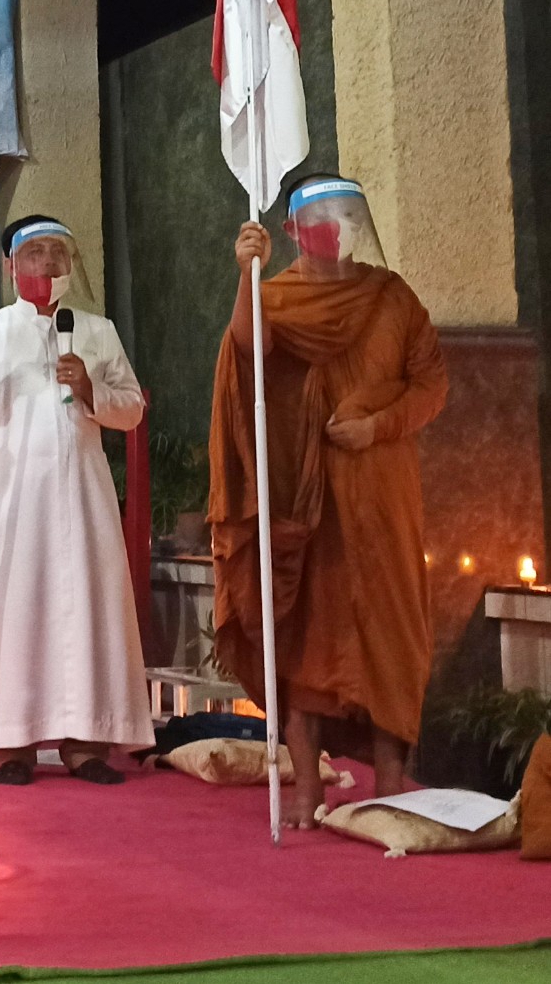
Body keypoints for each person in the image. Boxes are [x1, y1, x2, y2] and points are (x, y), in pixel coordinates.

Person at [211, 174, 446, 827]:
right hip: (306, 505)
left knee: (393, 631)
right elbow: (244, 352)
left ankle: (392, 780)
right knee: (305, 640)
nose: (335, 228)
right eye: (320, 218)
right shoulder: (277, 298)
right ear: (291, 231)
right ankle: (306, 788)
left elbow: (431, 384)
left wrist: (378, 425)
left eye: (346, 215)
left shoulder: (391, 296)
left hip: (383, 496)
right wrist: (245, 276)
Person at [0, 216, 153, 785]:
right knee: (18, 608)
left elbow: (131, 409)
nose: (48, 264)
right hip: (13, 497)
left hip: (82, 492)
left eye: (58, 253)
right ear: (12, 265)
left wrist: (89, 389)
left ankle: (86, 743)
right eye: (36, 254)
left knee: (85, 609)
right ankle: (15, 745)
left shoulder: (98, 330)